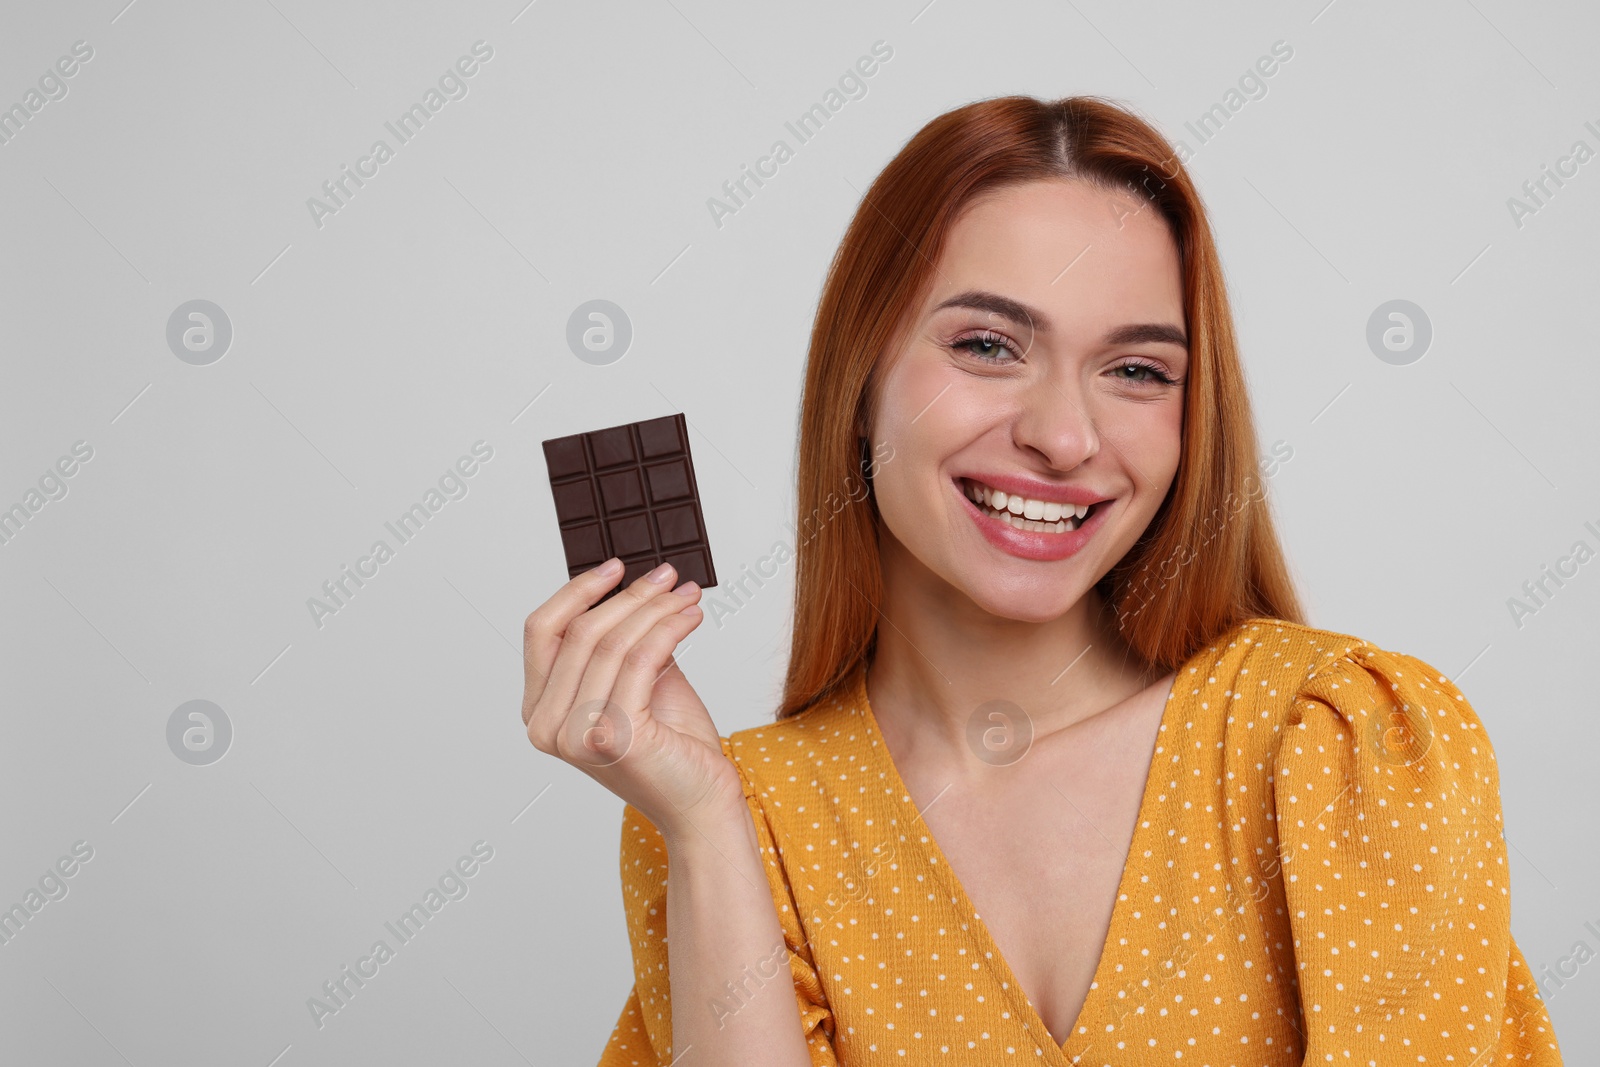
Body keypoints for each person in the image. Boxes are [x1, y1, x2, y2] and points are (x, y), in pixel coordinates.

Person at [523, 95, 1564, 1066]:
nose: (1064, 436)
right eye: (987, 344)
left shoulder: (1346, 745)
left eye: (1137, 370)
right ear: (861, 375)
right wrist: (705, 821)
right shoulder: (738, 817)